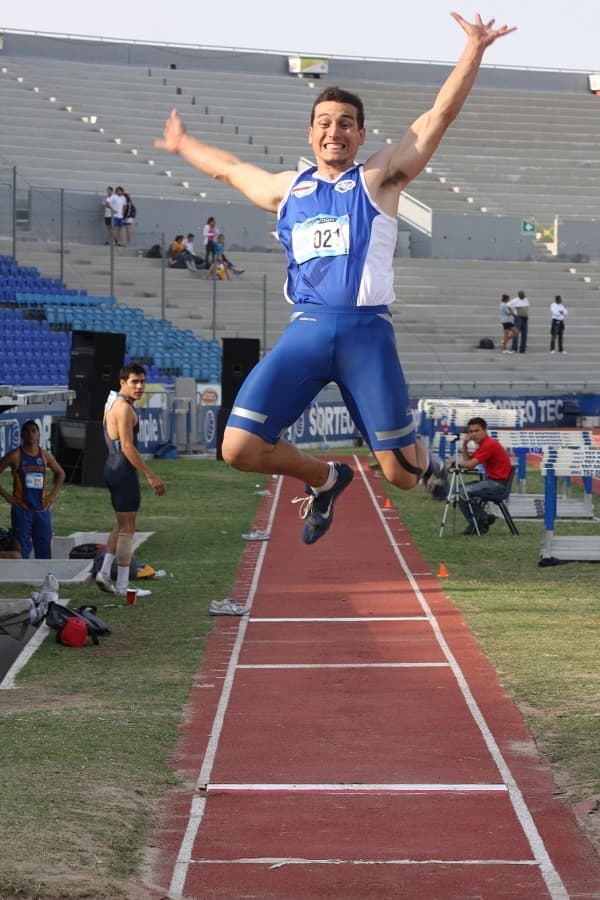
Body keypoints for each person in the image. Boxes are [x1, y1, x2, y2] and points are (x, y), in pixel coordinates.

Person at [155, 12, 515, 546]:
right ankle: (326, 478)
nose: (335, 130)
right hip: (305, 332)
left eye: (346, 122)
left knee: (402, 477)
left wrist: (475, 49)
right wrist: (184, 144)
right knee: (238, 449)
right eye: (324, 121)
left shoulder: (378, 178)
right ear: (310, 133)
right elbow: (228, 169)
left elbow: (437, 116)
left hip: (366, 335)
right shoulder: (287, 190)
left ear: (361, 134)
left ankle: (423, 461)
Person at [96, 363, 165, 597]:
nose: (140, 386)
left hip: (112, 467)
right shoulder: (123, 408)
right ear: (122, 383)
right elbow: (127, 446)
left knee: (121, 524)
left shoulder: (114, 402)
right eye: (134, 382)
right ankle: (124, 587)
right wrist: (150, 474)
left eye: (143, 381)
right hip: (122, 469)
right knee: (128, 528)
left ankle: (105, 572)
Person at [0, 420, 65, 559]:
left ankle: (43, 578)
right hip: (22, 510)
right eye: (27, 431)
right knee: (22, 550)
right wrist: (6, 496)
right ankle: (21, 578)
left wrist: (52, 496)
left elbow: (61, 474)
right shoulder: (15, 455)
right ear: (22, 435)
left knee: (45, 550)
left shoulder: (44, 455)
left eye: (33, 431)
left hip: (42, 510)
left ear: (39, 434)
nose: (31, 434)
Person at [456, 416, 513, 535]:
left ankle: (479, 523)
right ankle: (483, 519)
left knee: (461, 493)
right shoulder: (483, 445)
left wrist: (455, 464)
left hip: (497, 486)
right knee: (459, 491)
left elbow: (470, 464)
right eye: (471, 432)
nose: (474, 434)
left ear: (485, 431)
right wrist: (465, 445)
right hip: (492, 482)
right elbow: (469, 461)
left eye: (477, 431)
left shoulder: (489, 445)